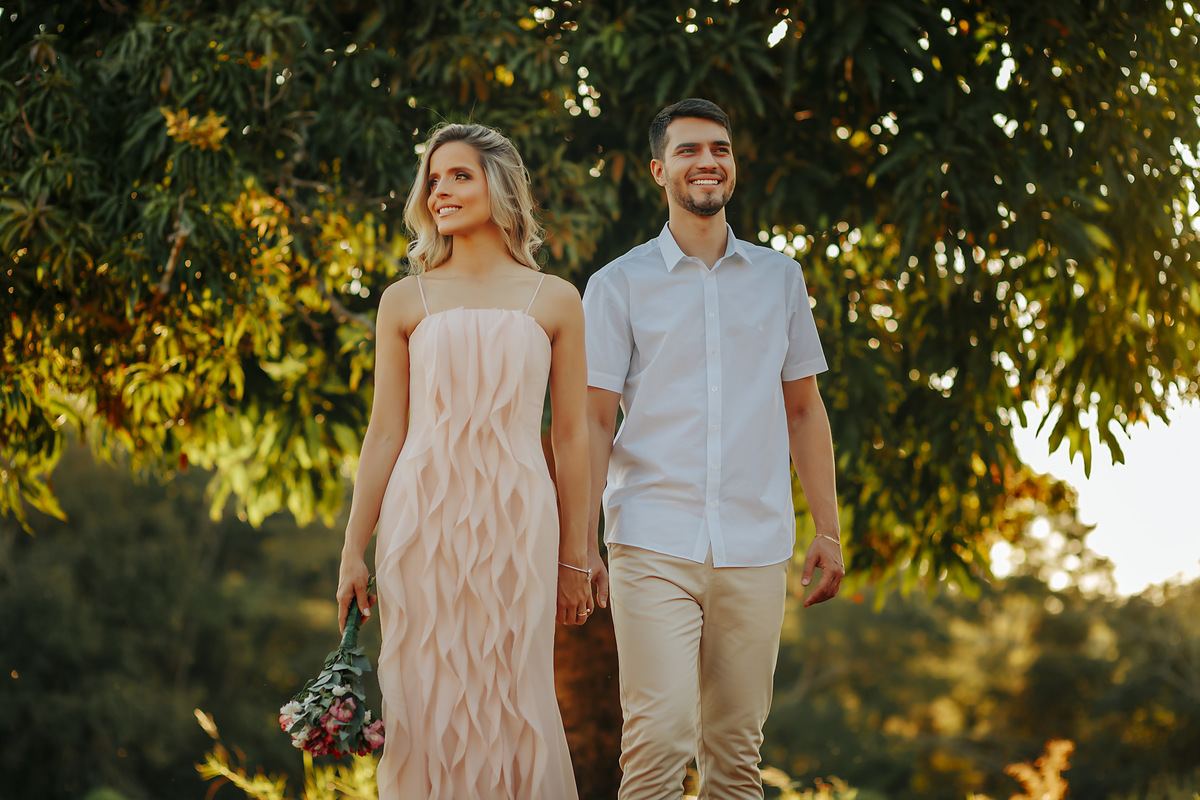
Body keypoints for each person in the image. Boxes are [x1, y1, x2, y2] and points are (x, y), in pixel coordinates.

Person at [581, 98, 845, 800]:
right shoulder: (616, 285)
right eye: (692, 150)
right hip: (650, 538)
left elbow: (803, 409)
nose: (708, 162)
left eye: (721, 149)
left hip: (756, 545)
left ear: (733, 165)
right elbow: (591, 424)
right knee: (659, 740)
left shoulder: (780, 278)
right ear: (659, 169)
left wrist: (828, 531)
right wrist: (579, 546)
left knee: (735, 754)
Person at [335, 123, 593, 799]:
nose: (440, 190)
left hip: (519, 522)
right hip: (421, 523)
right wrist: (352, 551)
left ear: (500, 187)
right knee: (423, 699)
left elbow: (572, 438)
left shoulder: (557, 298)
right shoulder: (404, 299)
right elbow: (385, 433)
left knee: (517, 693)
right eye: (433, 178)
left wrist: (579, 555)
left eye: (459, 176)